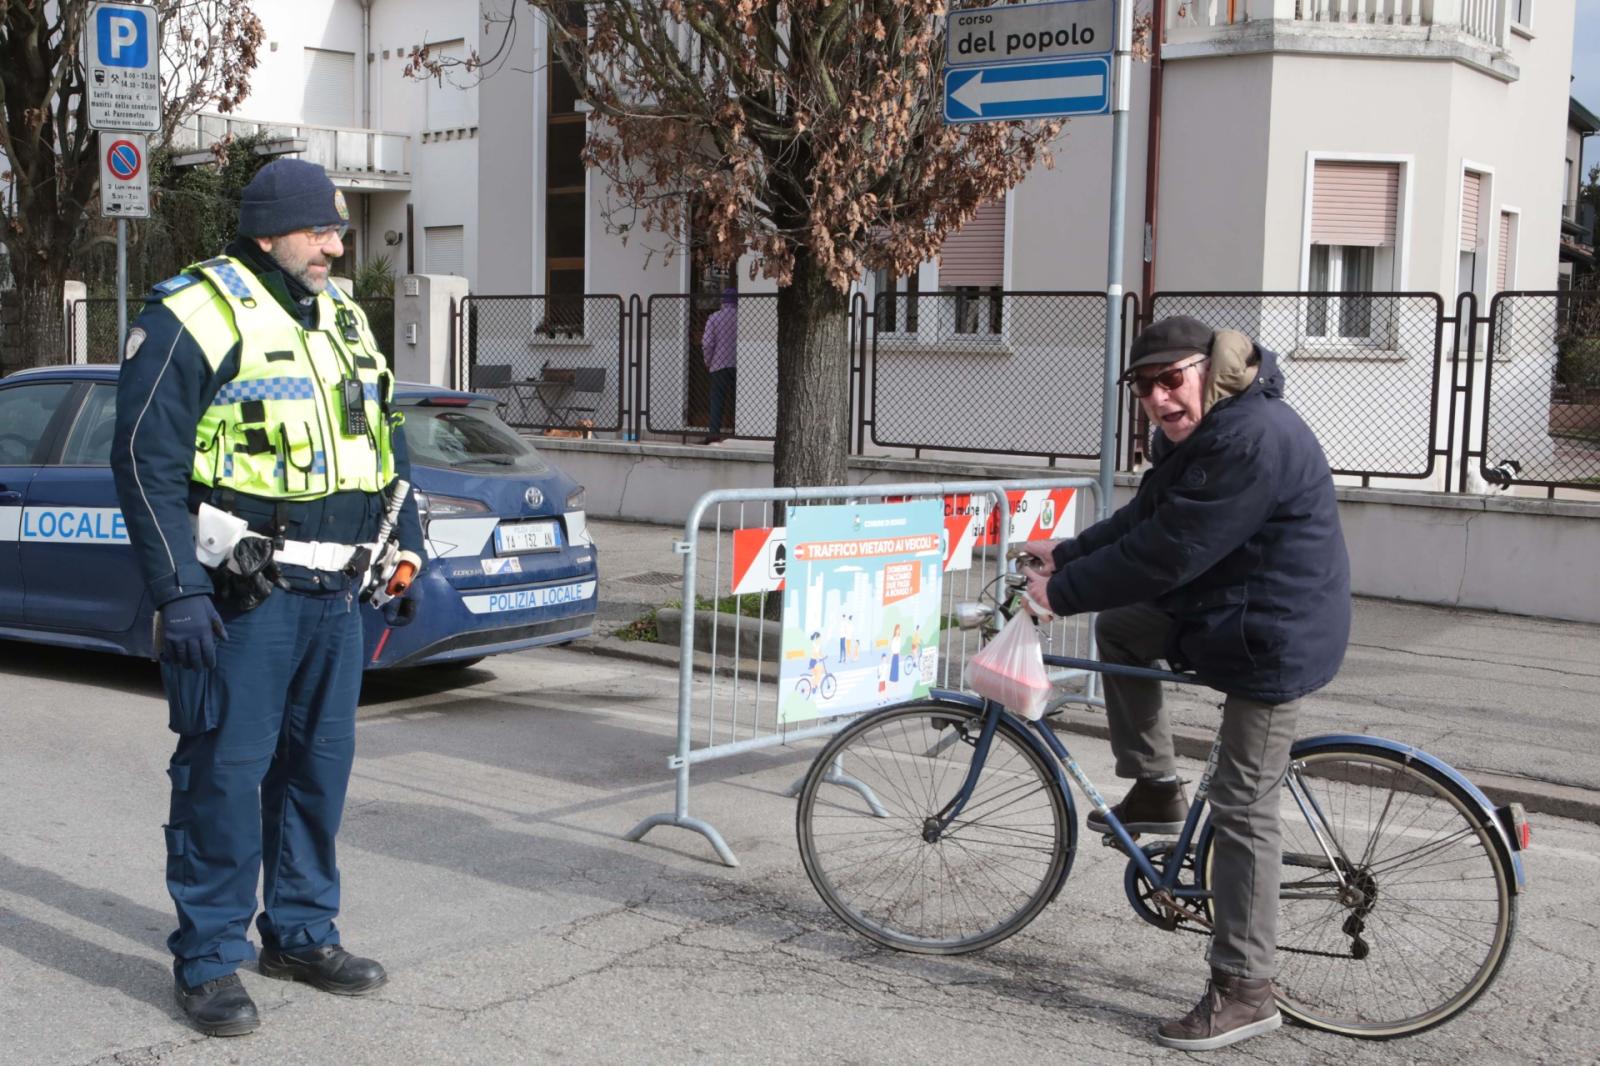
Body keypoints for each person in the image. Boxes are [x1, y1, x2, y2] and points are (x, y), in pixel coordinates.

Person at [111, 159, 427, 1037]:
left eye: (338, 232)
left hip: (335, 598)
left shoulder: (345, 318)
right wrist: (177, 592)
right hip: (245, 599)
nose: (336, 244)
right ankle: (210, 959)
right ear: (267, 233)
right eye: (321, 230)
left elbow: (385, 444)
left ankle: (299, 932)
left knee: (317, 777)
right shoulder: (192, 313)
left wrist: (407, 548)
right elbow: (144, 460)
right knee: (223, 776)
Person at [1019, 315, 1351, 1052]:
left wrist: (1060, 594)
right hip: (1232, 608)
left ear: (1210, 370)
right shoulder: (1207, 433)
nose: (1159, 399)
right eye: (1144, 387)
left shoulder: (1247, 439)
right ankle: (1158, 786)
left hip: (1271, 634)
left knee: (1241, 807)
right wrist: (1065, 554)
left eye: (1172, 380)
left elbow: (1173, 550)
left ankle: (1245, 989)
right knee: (1126, 626)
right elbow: (1148, 518)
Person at [699, 286, 738, 444]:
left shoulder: (714, 318)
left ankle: (714, 434)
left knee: (717, 400)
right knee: (739, 400)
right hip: (738, 364)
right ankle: (738, 431)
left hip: (718, 364)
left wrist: (708, 361)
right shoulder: (742, 317)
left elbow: (707, 343)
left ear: (722, 301)